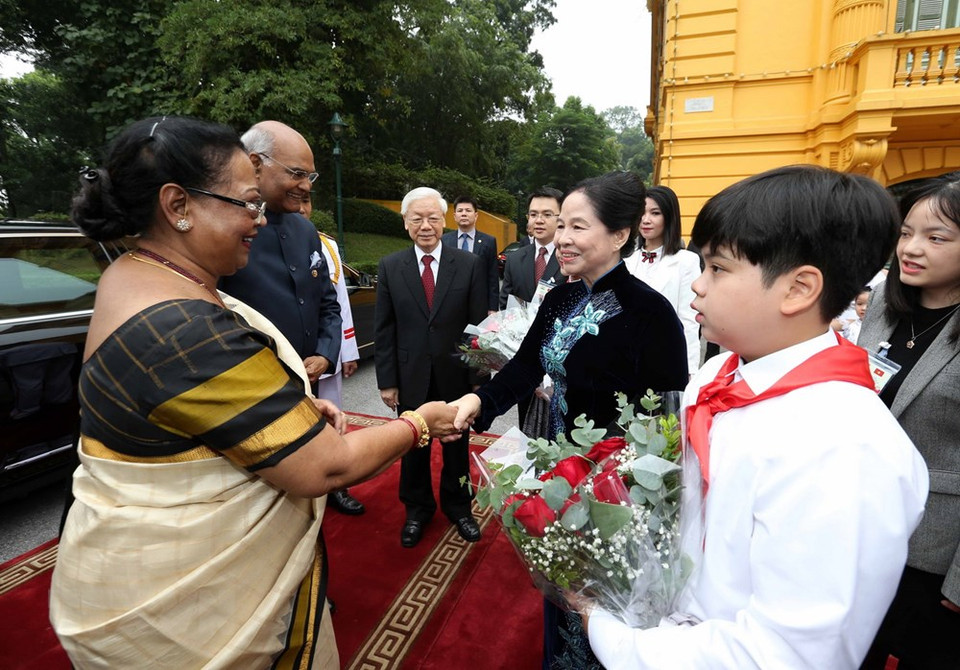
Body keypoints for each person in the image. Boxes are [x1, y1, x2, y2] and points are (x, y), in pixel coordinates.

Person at [49, 116, 461, 669]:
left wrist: (276, 407)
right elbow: (328, 467)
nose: (259, 221)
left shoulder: (134, 272)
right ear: (179, 206)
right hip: (187, 623)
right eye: (247, 203)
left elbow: (192, 408)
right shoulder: (184, 330)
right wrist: (420, 423)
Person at [578, 165, 929, 669]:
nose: (697, 286)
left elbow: (784, 655)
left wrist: (608, 631)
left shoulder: (845, 448)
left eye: (717, 269)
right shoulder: (720, 373)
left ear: (799, 289)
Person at [450, 171, 688, 668]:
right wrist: (480, 403)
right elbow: (524, 366)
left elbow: (666, 419)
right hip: (559, 476)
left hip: (619, 493)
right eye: (561, 226)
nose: (562, 238)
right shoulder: (559, 298)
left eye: (577, 227)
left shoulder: (651, 313)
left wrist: (636, 498)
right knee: (564, 598)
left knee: (609, 606)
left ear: (619, 235)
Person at [219, 121, 363, 516]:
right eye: (296, 174)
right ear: (255, 164)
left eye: (310, 175)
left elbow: (328, 303)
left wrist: (325, 353)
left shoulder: (304, 229)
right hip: (252, 397)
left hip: (309, 385)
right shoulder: (221, 229)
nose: (306, 186)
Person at [859, 171, 960, 670]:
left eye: (936, 237)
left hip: (932, 552)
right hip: (861, 528)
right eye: (906, 233)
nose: (911, 248)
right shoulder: (883, 304)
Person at [375, 187, 488, 548]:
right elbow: (385, 328)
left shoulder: (468, 264)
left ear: (445, 221)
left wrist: (477, 382)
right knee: (413, 445)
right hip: (411, 376)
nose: (426, 226)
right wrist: (387, 381)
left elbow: (478, 330)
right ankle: (417, 510)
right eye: (417, 219)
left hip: (455, 374)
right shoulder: (391, 266)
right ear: (406, 223)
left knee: (458, 444)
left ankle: (459, 507)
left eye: (433, 218)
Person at [300, 195, 365, 515]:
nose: (301, 208)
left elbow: (338, 303)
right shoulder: (257, 239)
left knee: (333, 417)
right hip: (284, 352)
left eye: (307, 201)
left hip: (326, 350)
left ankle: (337, 486)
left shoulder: (325, 246)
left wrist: (346, 351)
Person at [624, 185, 702, 375]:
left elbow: (689, 321)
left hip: (664, 361)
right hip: (625, 362)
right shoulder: (626, 262)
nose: (646, 220)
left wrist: (689, 371)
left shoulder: (686, 261)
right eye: (641, 213)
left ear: (669, 217)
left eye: (655, 213)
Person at [499, 187, 566, 310]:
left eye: (547, 214)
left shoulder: (570, 257)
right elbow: (505, 305)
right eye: (533, 214)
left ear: (561, 217)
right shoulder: (514, 260)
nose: (539, 220)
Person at [442, 196, 499, 314]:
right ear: (454, 216)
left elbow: (492, 277)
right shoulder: (444, 241)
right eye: (460, 211)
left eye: (468, 210)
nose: (464, 214)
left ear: (476, 215)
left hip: (479, 304)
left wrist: (492, 308)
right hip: (450, 305)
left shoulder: (488, 241)